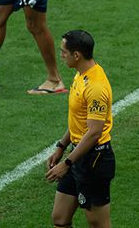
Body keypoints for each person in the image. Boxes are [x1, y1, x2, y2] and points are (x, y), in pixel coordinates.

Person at [45, 30, 115, 228]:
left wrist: (66, 163)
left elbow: (94, 132)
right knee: (60, 217)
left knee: (97, 222)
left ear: (77, 55)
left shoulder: (96, 87)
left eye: (64, 52)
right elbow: (78, 120)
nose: (61, 55)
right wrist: (60, 146)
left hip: (94, 160)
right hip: (77, 154)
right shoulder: (80, 75)